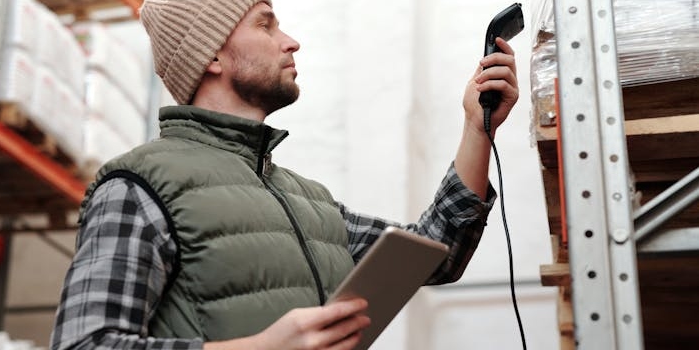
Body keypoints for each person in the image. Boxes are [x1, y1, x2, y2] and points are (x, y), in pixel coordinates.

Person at [50, 0, 518, 349]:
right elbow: (85, 343)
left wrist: (478, 128)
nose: (290, 40)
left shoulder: (306, 200)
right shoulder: (138, 187)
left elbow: (438, 253)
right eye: (265, 23)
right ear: (212, 56)